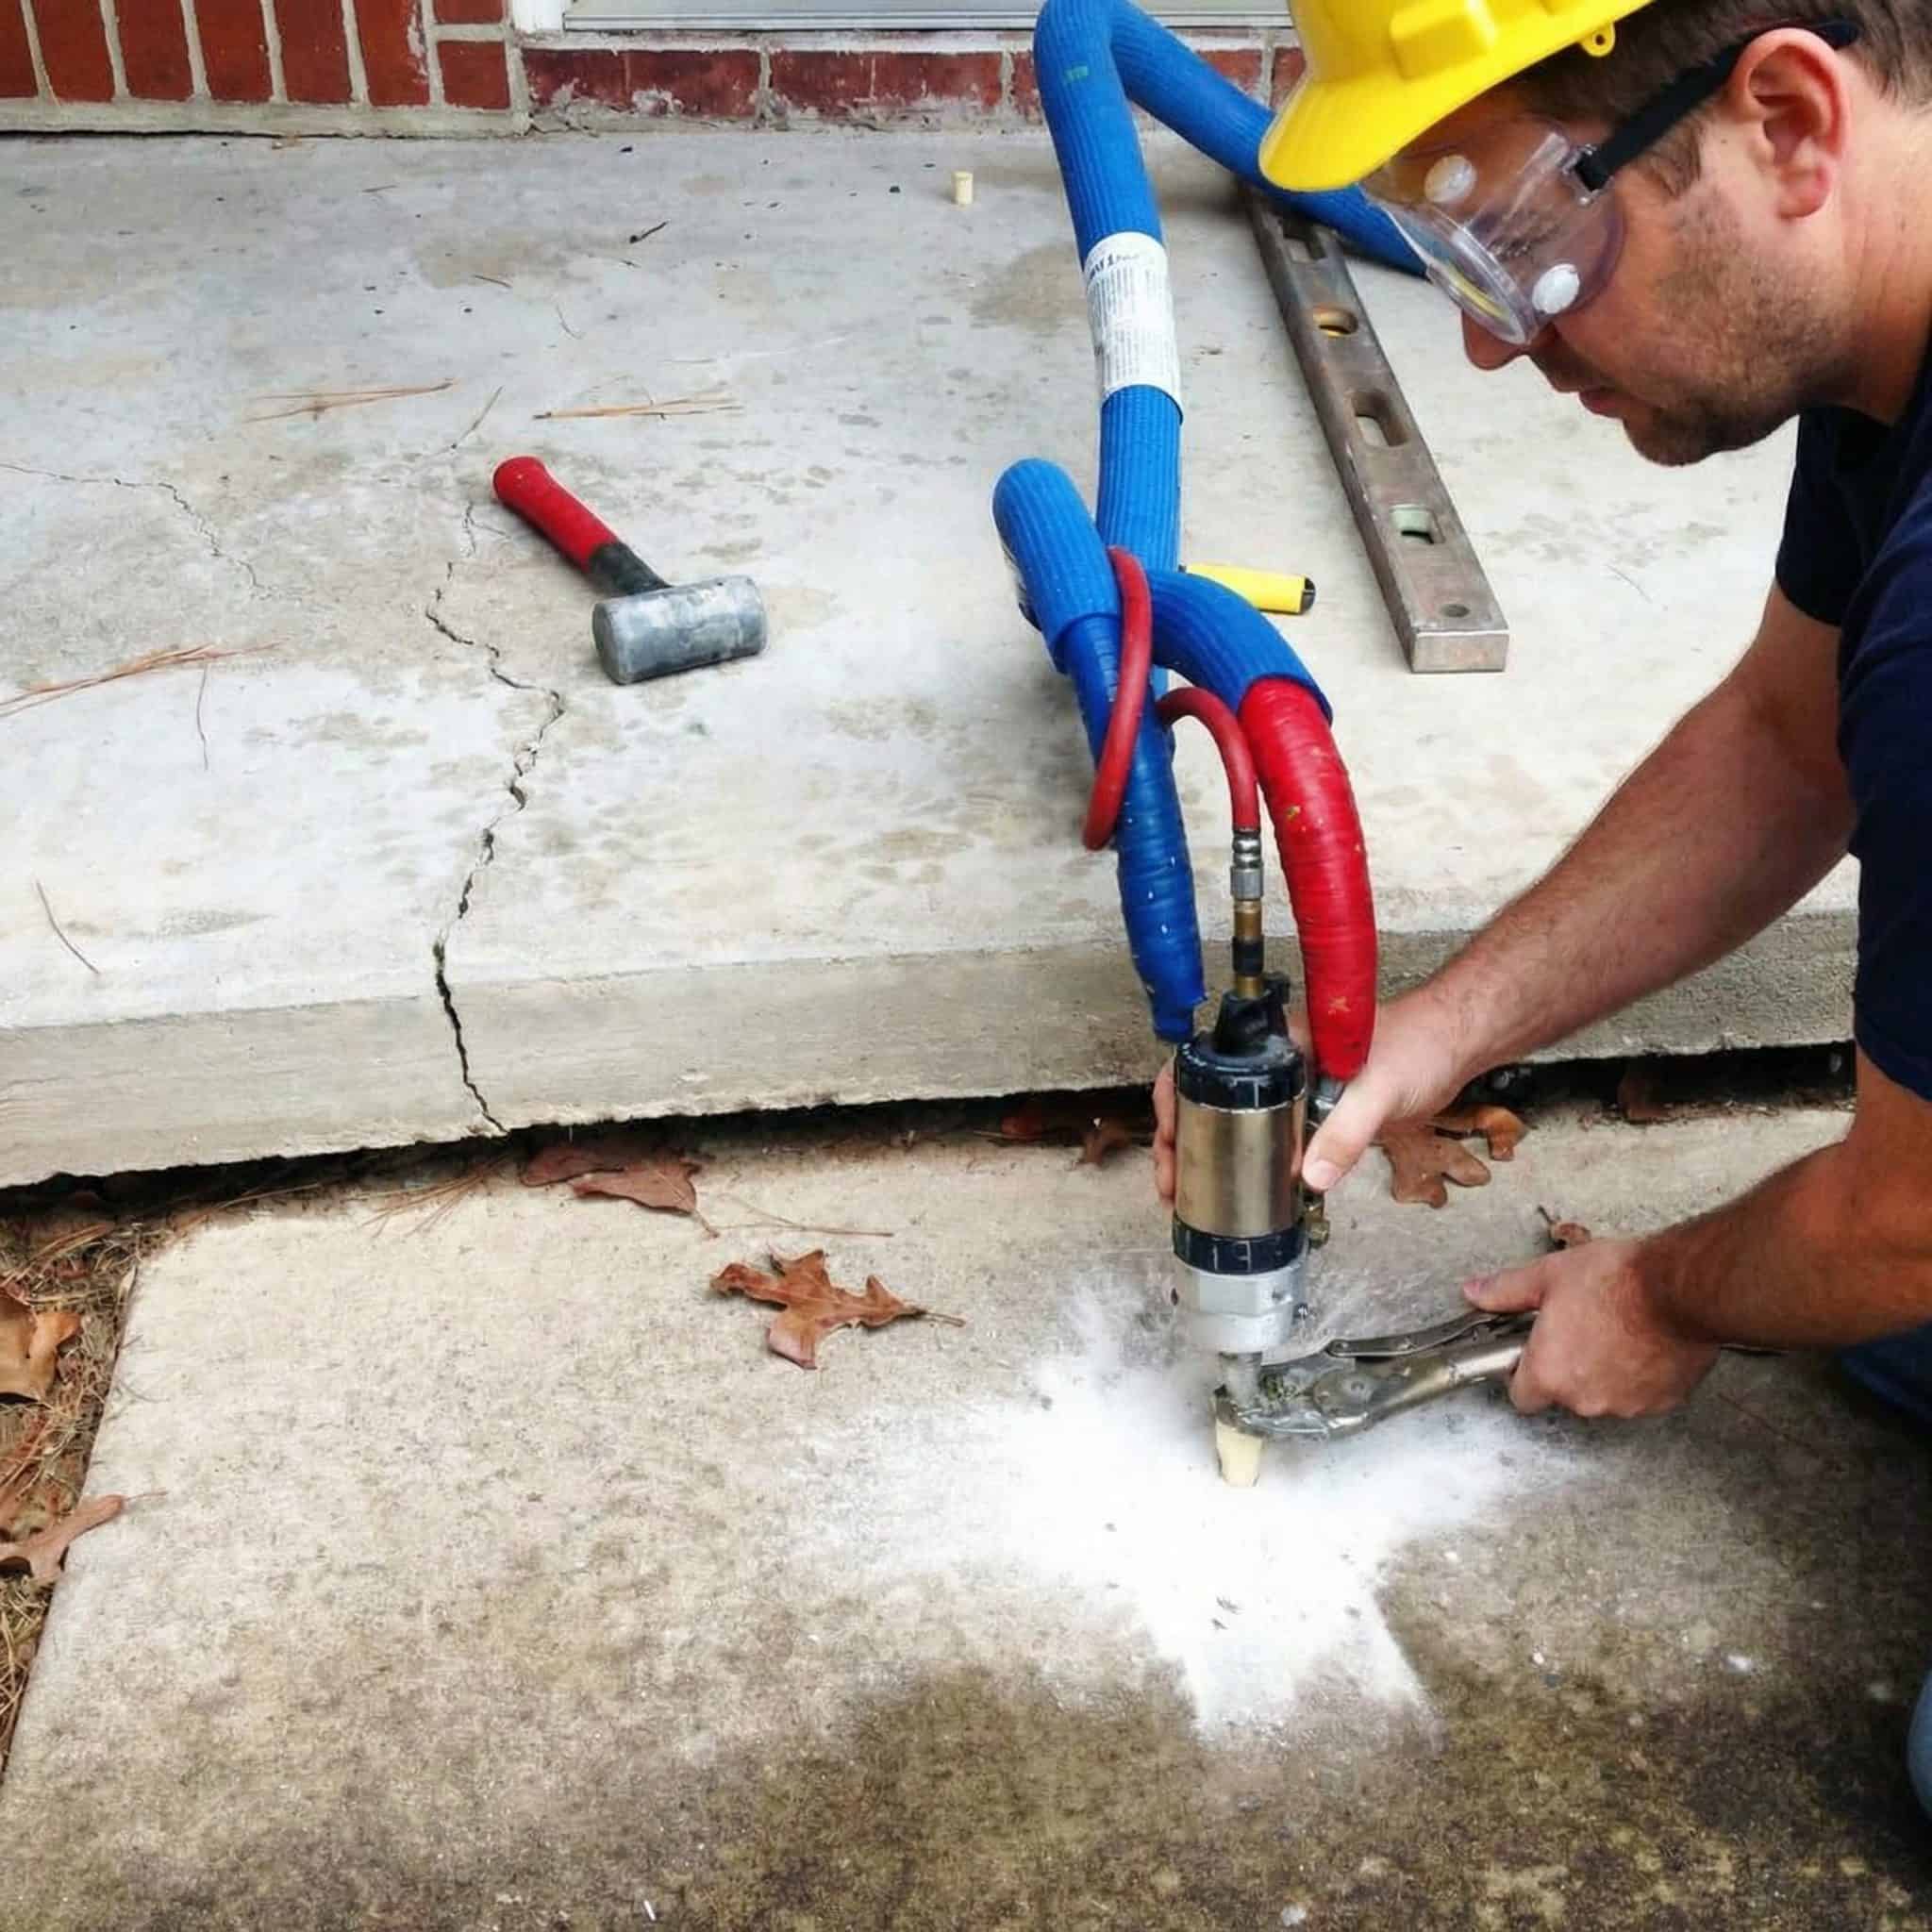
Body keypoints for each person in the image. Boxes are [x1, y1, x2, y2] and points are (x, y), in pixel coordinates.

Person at [1153, 0, 1932, 1815]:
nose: (1497, 344)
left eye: (1524, 245)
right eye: (1457, 263)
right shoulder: (1880, 343)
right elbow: (1785, 744)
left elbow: (1908, 1220)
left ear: (1788, 120)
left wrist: (1666, 1295)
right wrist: (1434, 1029)